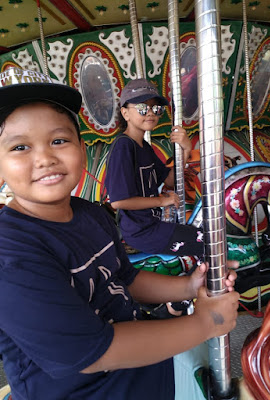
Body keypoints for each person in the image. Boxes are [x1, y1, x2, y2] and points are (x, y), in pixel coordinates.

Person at [0, 67, 240, 400]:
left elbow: (124, 278)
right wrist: (206, 323)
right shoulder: (11, 254)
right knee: (197, 240)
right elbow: (94, 352)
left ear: (81, 149)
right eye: (20, 148)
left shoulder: (89, 215)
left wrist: (188, 285)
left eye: (59, 140)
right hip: (87, 391)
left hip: (141, 363)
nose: (44, 158)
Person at [105, 78, 204, 256]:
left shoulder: (145, 147)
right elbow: (119, 201)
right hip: (141, 231)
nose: (150, 113)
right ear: (125, 113)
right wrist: (161, 201)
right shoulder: (123, 146)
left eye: (156, 109)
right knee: (205, 242)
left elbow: (171, 180)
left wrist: (186, 149)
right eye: (143, 108)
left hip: (152, 224)